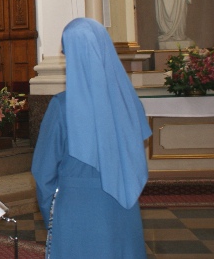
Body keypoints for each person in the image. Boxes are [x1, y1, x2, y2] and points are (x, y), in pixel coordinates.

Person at [31, 18, 152, 259]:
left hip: (77, 213)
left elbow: (44, 174)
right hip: (124, 209)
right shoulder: (130, 103)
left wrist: (51, 215)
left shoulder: (61, 106)